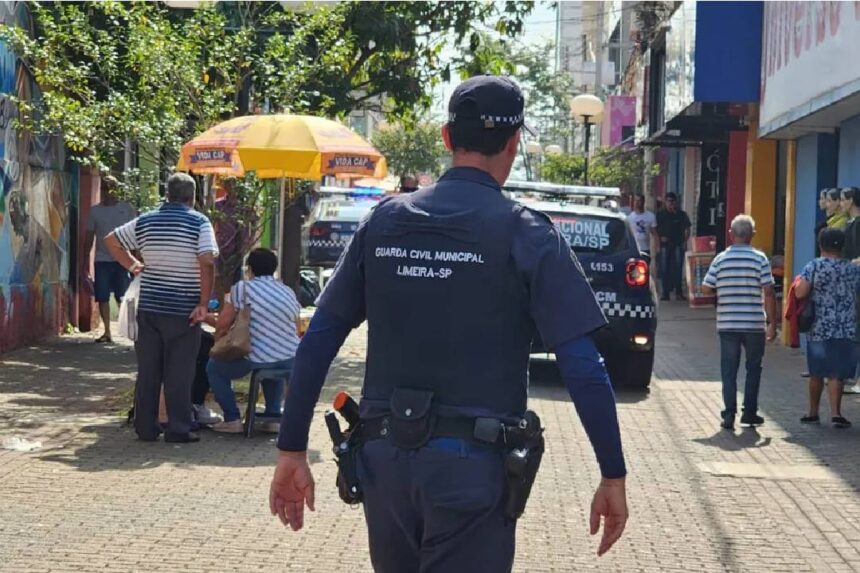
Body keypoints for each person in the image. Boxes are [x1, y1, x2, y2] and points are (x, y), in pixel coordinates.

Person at [268, 75, 628, 570]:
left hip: (384, 465)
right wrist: (612, 475)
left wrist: (291, 449)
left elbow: (318, 341)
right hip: (473, 470)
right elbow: (584, 367)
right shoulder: (525, 232)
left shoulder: (384, 221)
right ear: (514, 141)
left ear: (446, 138)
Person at [105, 172, 218, 443]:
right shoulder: (199, 222)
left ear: (167, 194)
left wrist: (133, 265)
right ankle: (178, 429)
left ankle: (145, 427)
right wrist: (203, 304)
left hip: (150, 307)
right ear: (193, 197)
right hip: (183, 310)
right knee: (179, 373)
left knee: (148, 370)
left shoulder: (147, 220)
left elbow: (111, 239)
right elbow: (207, 261)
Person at [207, 248, 301, 434]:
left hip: (256, 356)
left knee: (214, 368)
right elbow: (297, 324)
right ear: (274, 268)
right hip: (291, 356)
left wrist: (217, 338)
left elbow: (224, 321)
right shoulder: (287, 290)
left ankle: (232, 418)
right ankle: (273, 417)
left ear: (249, 268)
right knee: (272, 363)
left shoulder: (242, 288)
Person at [701, 215, 777, 430]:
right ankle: (750, 412)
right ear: (752, 235)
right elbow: (769, 292)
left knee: (729, 370)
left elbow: (706, 288)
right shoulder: (760, 259)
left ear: (730, 234)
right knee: (754, 368)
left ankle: (728, 414)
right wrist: (772, 322)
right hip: (753, 325)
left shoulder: (720, 259)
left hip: (727, 324)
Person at [795, 228, 860, 428]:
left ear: (821, 245)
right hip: (846, 326)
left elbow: (800, 293)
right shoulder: (853, 269)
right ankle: (836, 413)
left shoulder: (814, 266)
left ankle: (813, 412)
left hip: (819, 326)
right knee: (837, 373)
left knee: (817, 371)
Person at [83, 176, 137, 343]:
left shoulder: (127, 209)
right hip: (102, 259)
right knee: (102, 296)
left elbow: (135, 236)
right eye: (104, 188)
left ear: (116, 190)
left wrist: (136, 261)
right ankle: (107, 331)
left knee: (124, 296)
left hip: (123, 260)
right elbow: (89, 237)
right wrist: (85, 261)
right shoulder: (95, 211)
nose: (107, 192)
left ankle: (129, 330)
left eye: (110, 188)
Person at [656, 192, 691, 301]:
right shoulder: (660, 214)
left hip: (678, 243)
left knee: (678, 268)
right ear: (665, 202)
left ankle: (678, 292)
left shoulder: (681, 214)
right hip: (665, 244)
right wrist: (658, 241)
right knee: (665, 268)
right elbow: (655, 230)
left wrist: (685, 241)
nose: (671, 203)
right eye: (668, 201)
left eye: (672, 201)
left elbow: (687, 228)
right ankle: (665, 293)